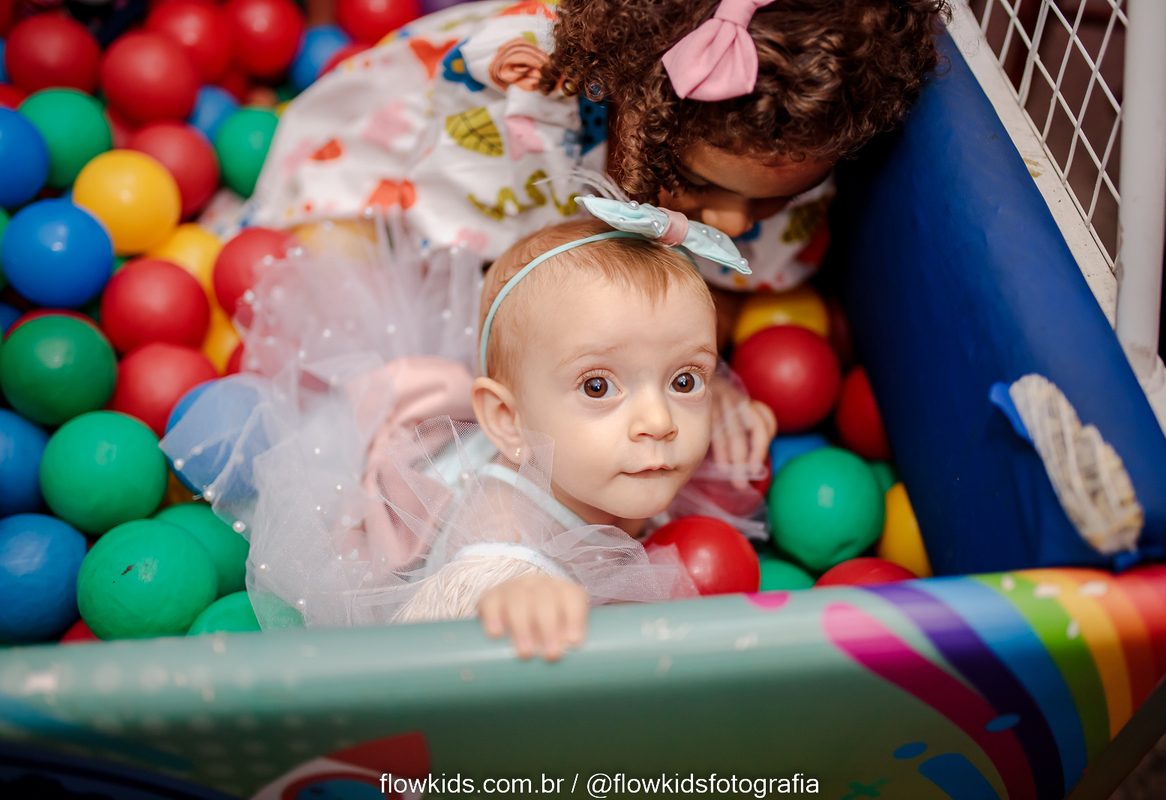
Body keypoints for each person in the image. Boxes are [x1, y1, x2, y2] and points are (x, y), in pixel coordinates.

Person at [242, 0, 945, 464]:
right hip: (486, 183)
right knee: (335, 270)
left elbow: (714, 287)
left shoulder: (774, 144)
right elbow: (481, 243)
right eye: (697, 182)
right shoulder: (531, 91)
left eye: (775, 198)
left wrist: (705, 377)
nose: (733, 222)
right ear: (632, 99)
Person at [162, 199, 766, 660]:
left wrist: (731, 403)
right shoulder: (501, 539)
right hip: (419, 513)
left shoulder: (612, 456)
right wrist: (513, 597)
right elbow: (444, 618)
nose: (659, 421)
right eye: (597, 387)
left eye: (684, 380)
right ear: (508, 420)